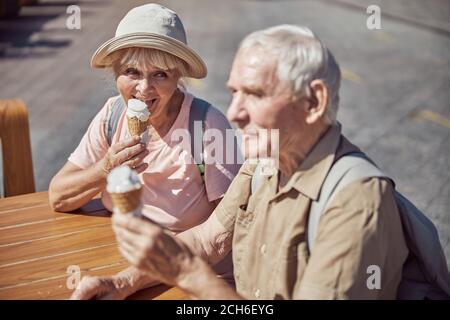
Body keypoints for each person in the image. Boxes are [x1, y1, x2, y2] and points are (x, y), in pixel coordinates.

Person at [110, 25, 411, 299]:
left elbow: (194, 261)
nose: (234, 113)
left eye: (254, 94)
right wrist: (119, 284)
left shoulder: (355, 201)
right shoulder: (264, 163)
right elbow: (207, 241)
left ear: (313, 102)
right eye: (234, 93)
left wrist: (188, 272)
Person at [48, 4, 240, 299]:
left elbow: (223, 237)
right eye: (131, 72)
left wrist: (126, 281)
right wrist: (105, 169)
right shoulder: (113, 115)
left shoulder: (209, 126)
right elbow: (58, 197)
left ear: (179, 76)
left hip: (189, 274)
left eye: (160, 74)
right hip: (112, 253)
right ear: (115, 74)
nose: (143, 88)